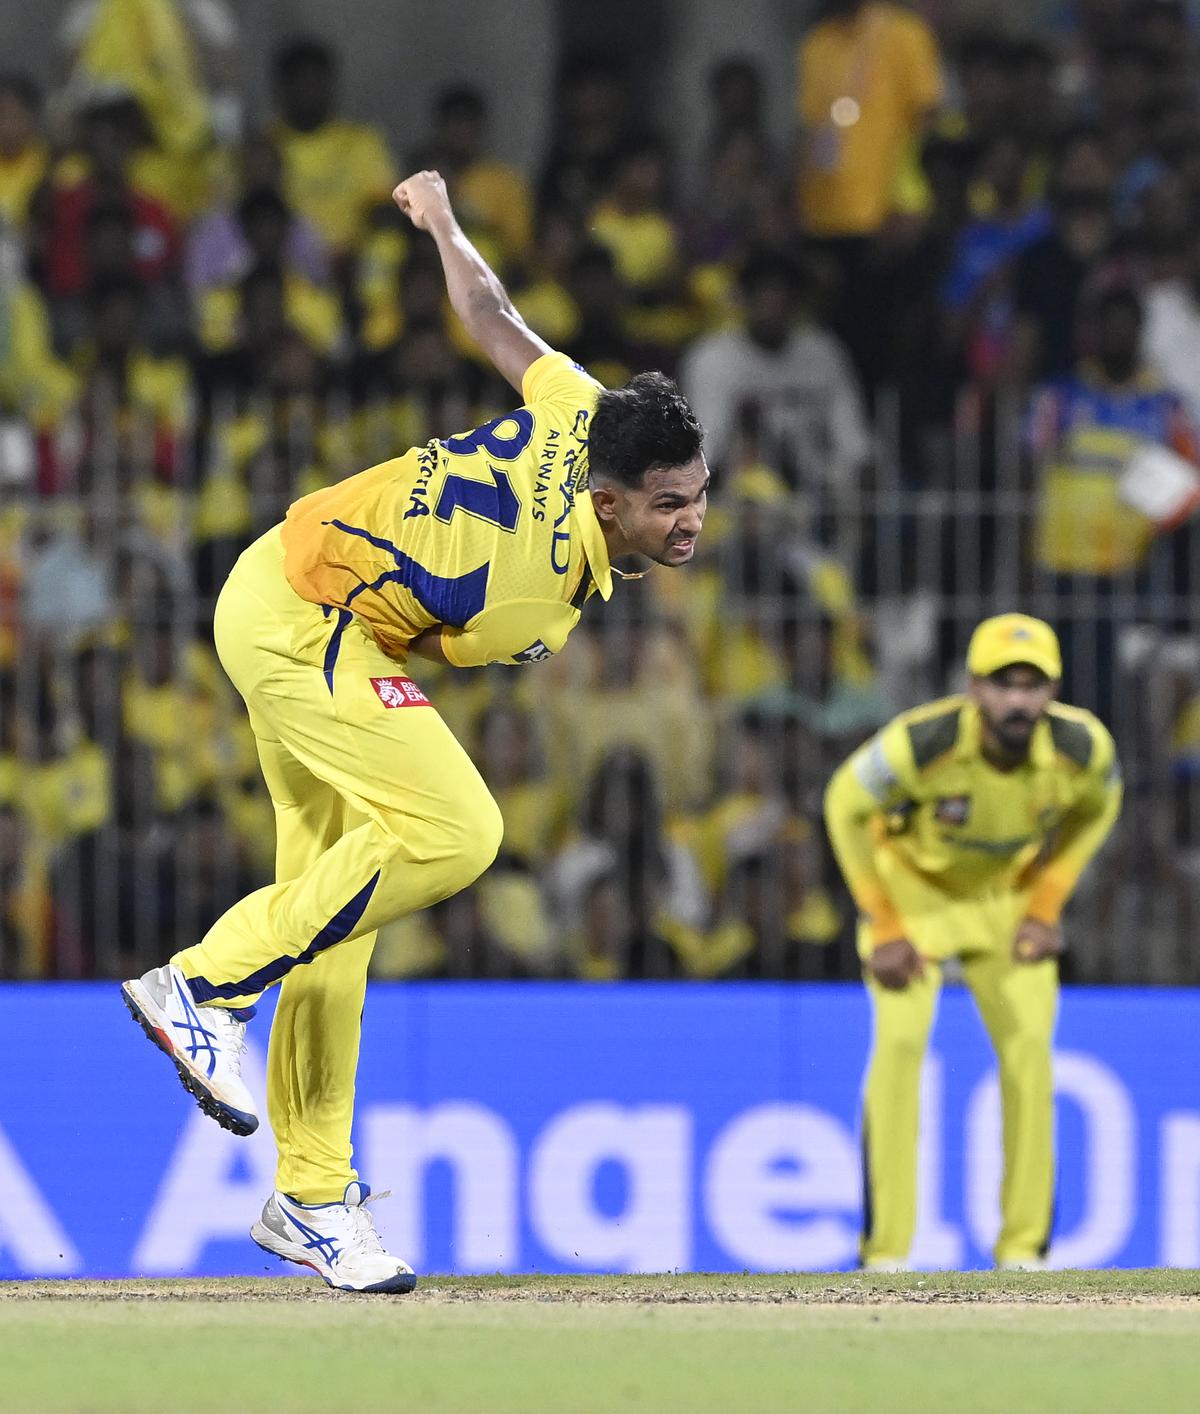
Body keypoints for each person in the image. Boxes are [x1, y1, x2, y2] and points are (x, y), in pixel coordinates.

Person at [121, 168, 709, 1293]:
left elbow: (491, 315)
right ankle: (203, 987)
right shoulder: (526, 599)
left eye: (698, 493)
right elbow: (434, 643)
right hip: (306, 624)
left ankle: (313, 1196)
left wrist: (443, 224)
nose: (691, 523)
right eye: (668, 505)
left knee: (339, 912)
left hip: (285, 591)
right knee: (457, 829)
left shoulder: (585, 410)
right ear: (606, 503)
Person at [824, 614, 1122, 1271]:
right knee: (900, 1049)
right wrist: (885, 921)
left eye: (1033, 685)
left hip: (1005, 901)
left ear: (1053, 692)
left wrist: (1045, 905)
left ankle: (1023, 1252)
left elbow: (1103, 804)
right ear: (973, 688)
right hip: (912, 894)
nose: (1018, 701)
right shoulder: (920, 742)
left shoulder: (1081, 747)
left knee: (1030, 1054)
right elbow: (844, 804)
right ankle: (886, 1254)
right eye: (1002, 684)